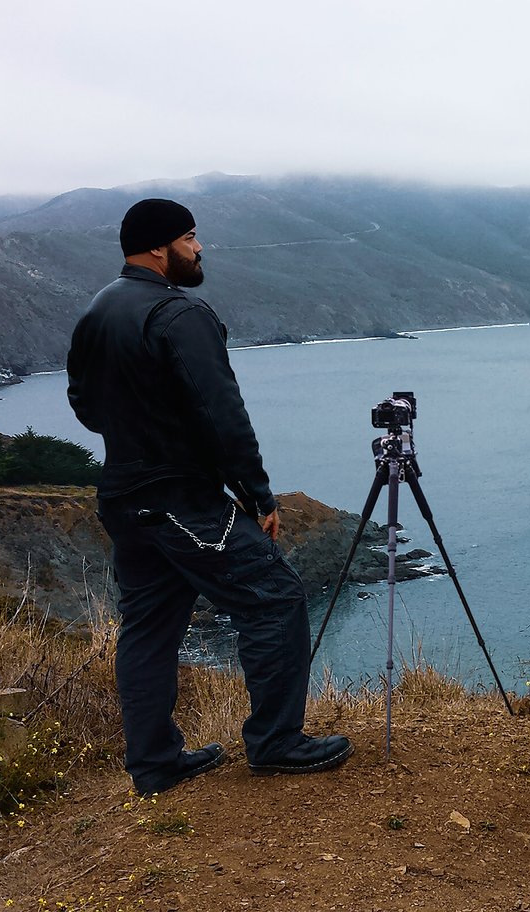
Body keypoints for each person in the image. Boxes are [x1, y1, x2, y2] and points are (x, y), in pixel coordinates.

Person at [67, 198, 351, 795]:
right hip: (183, 498)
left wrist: (137, 431)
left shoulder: (98, 310)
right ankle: (276, 742)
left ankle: (154, 763)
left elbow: (84, 404)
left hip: (123, 493)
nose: (200, 249)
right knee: (273, 598)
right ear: (158, 247)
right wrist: (258, 494)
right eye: (191, 238)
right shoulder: (179, 314)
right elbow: (221, 411)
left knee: (148, 625)